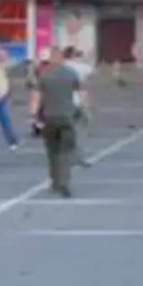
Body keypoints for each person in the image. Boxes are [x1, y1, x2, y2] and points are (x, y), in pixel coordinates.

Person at [31, 47, 86, 198]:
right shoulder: (70, 73)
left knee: (52, 151)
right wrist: (84, 109)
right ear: (61, 58)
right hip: (67, 117)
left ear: (50, 58)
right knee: (65, 151)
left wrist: (34, 116)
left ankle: (55, 181)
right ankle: (65, 181)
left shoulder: (44, 74)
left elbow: (36, 96)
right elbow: (81, 93)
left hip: (50, 117)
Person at [62, 47, 94, 167]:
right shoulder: (80, 67)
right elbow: (90, 73)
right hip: (76, 102)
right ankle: (79, 157)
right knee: (80, 131)